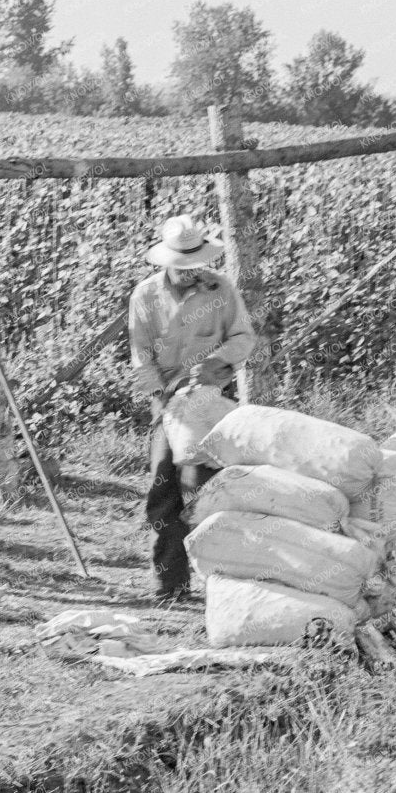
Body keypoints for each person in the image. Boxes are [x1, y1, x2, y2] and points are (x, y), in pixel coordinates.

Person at [128, 215, 258, 604]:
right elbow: (141, 357)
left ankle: (225, 583)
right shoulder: (145, 296)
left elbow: (243, 337)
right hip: (168, 403)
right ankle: (171, 586)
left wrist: (218, 361)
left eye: (194, 266)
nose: (188, 274)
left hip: (209, 403)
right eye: (181, 267)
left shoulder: (222, 290)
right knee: (163, 490)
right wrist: (162, 400)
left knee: (208, 490)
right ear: (166, 261)